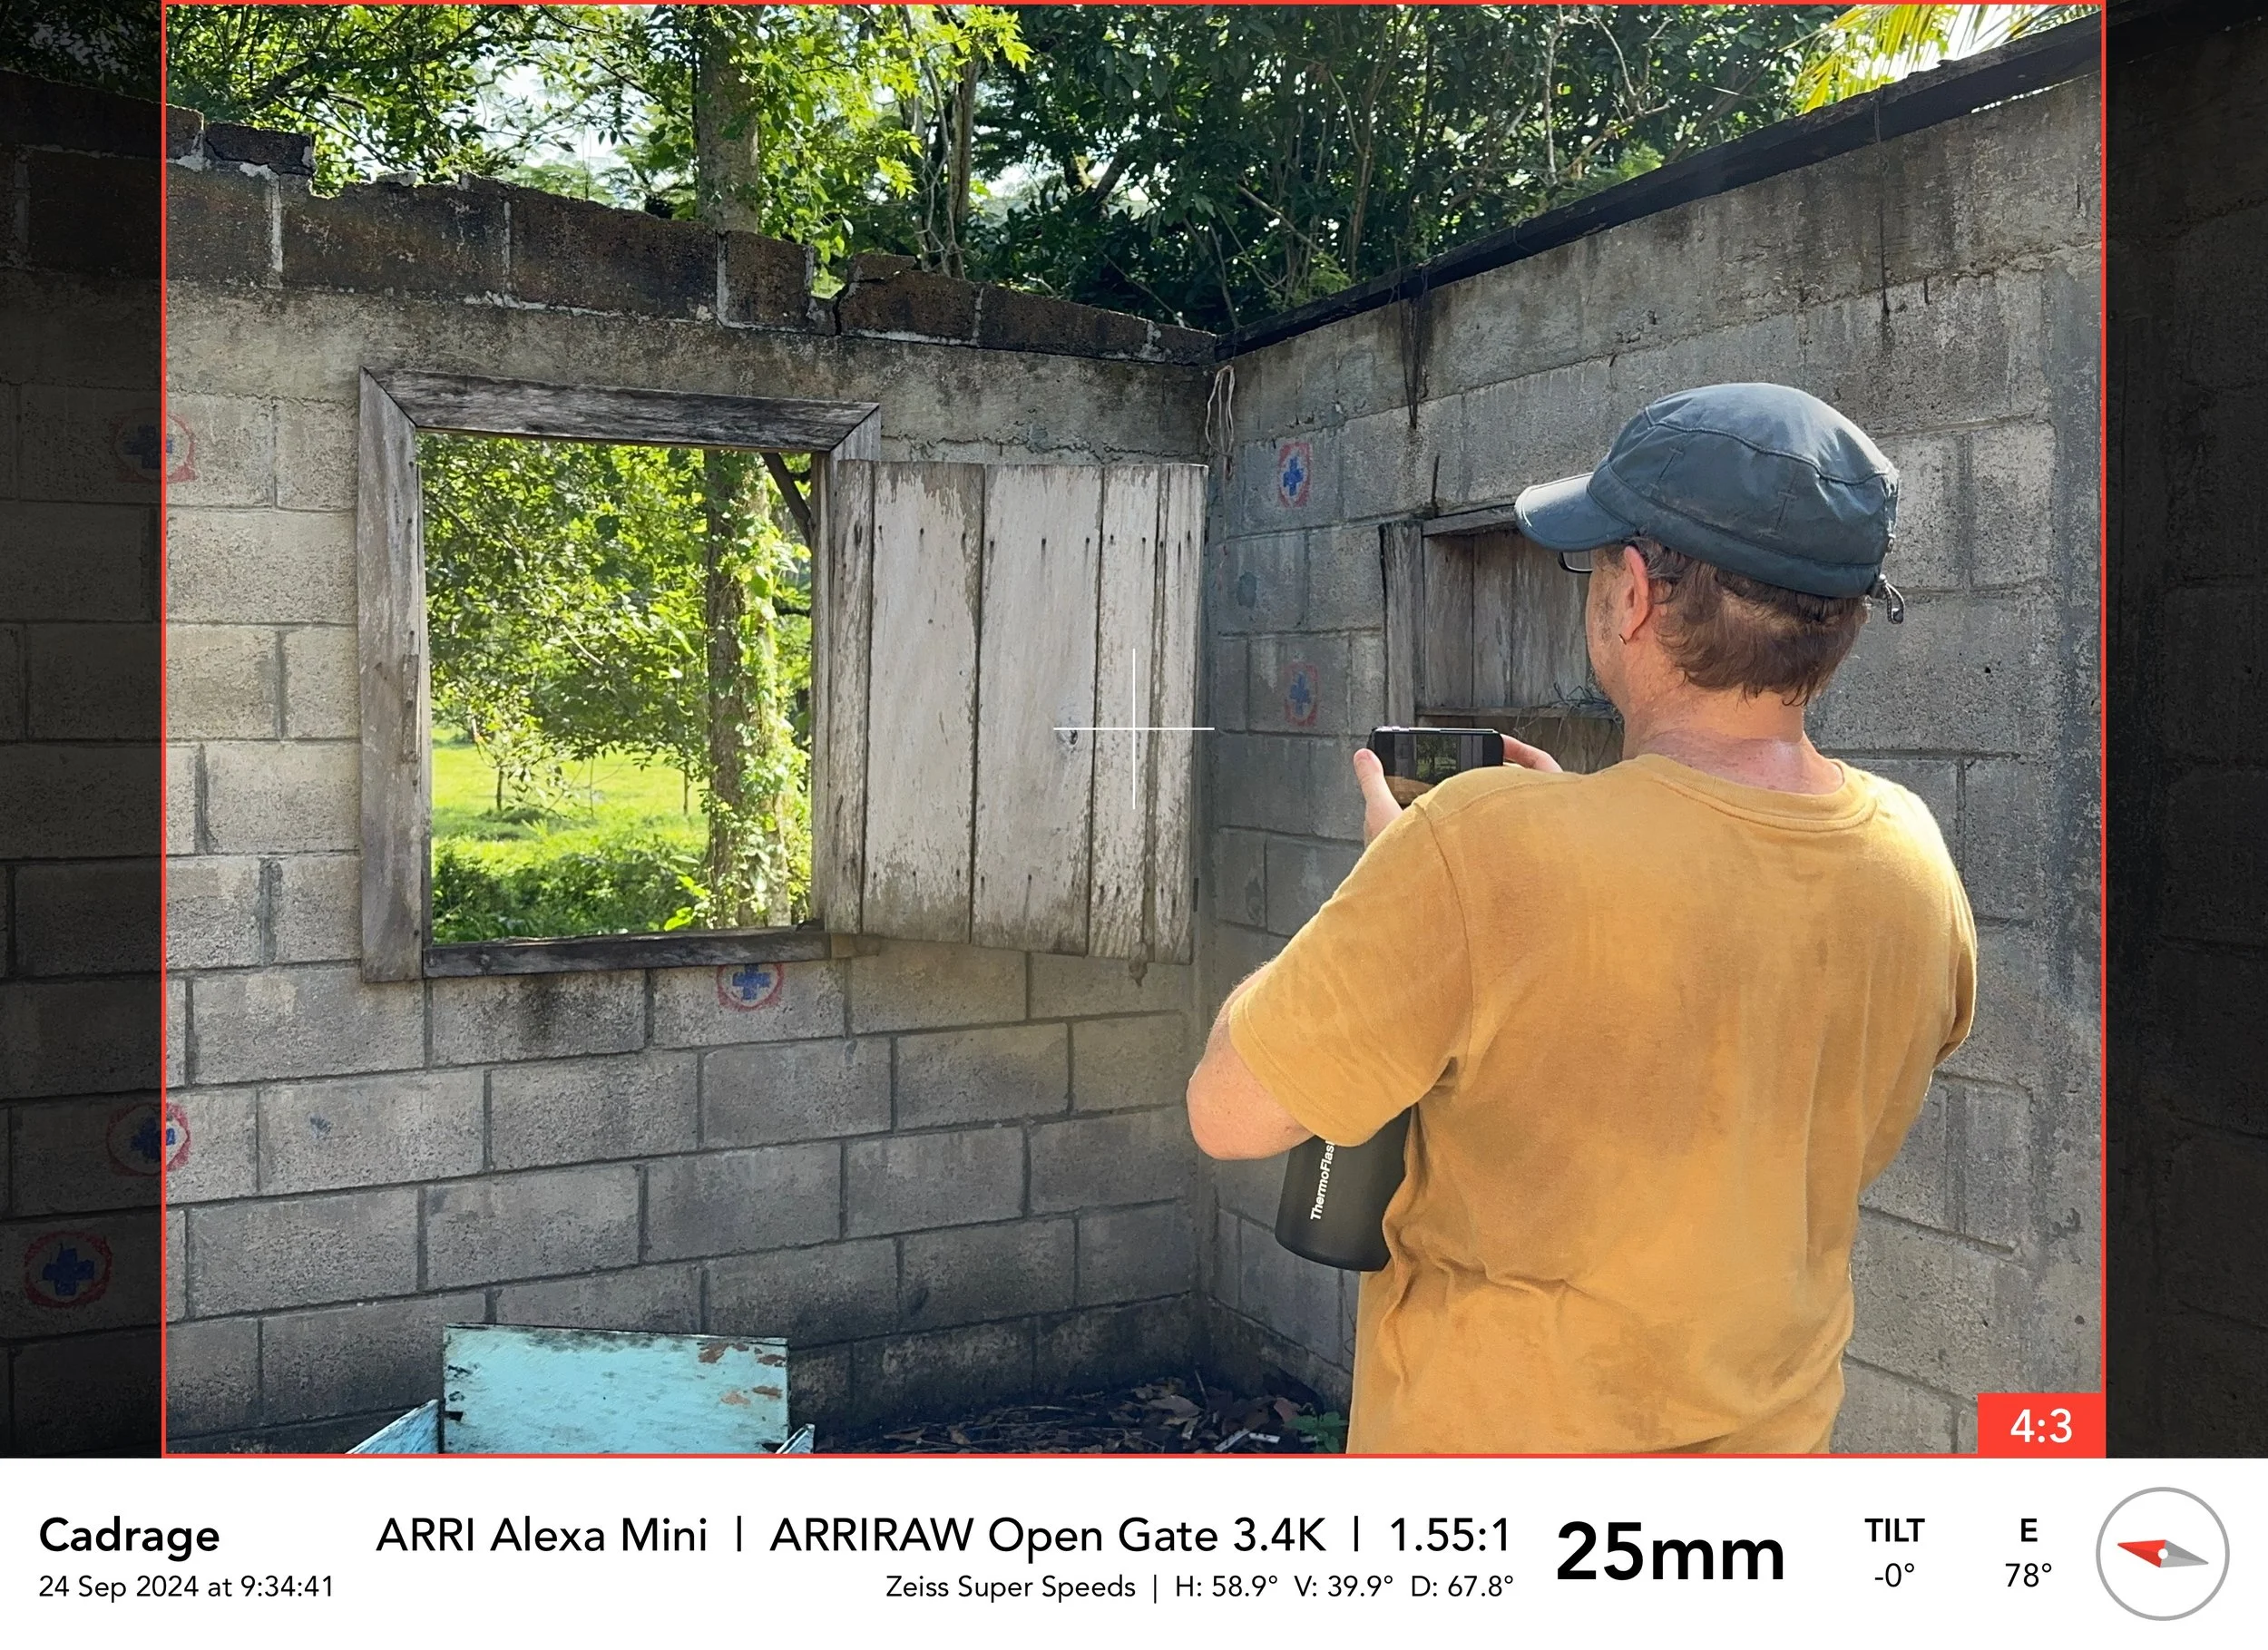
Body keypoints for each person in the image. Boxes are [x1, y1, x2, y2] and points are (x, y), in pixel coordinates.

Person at [1185, 382, 1976, 1454]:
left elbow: (1229, 1114)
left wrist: (1393, 881)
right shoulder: (1912, 854)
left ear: (1635, 593)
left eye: (1595, 563)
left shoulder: (1478, 849)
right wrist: (1562, 845)